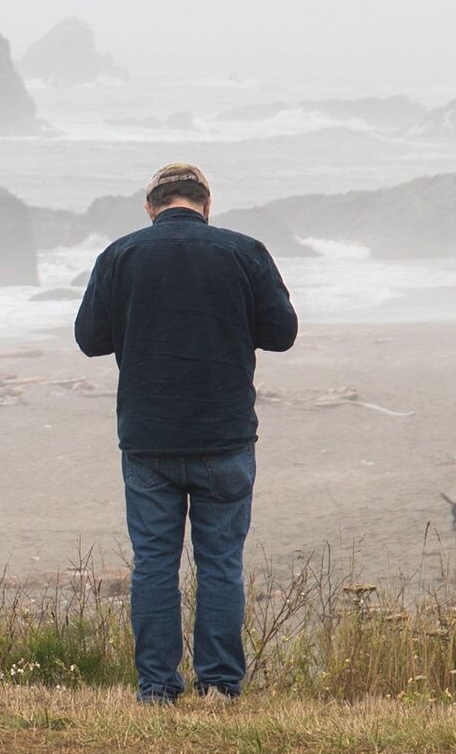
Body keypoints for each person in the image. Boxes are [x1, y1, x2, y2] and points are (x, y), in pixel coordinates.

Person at [72, 162, 298, 700]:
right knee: (221, 564)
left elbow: (89, 339)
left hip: (148, 437)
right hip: (225, 433)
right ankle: (218, 685)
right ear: (206, 204)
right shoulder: (244, 252)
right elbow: (282, 333)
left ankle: (156, 687)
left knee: (153, 564)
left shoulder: (120, 255)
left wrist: (140, 321)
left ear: (150, 208)